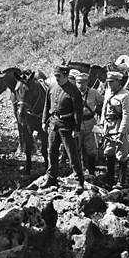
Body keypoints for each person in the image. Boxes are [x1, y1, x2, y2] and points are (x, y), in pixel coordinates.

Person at [41, 64, 85, 192]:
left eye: (59, 76)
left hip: (67, 127)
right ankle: (51, 179)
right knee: (52, 153)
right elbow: (46, 105)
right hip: (54, 125)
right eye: (55, 76)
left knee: (72, 155)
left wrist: (76, 128)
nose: (57, 78)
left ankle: (79, 181)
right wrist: (44, 121)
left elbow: (78, 111)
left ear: (66, 76)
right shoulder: (52, 87)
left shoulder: (74, 91)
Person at [100, 71, 129, 189]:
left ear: (118, 82)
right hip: (108, 127)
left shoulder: (125, 95)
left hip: (118, 127)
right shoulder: (108, 92)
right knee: (109, 153)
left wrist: (121, 132)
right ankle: (109, 179)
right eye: (108, 82)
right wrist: (102, 125)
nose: (109, 84)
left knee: (121, 155)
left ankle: (121, 181)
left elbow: (127, 115)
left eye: (112, 82)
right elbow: (104, 109)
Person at [75, 72, 104, 175]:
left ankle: (91, 173)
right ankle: (78, 173)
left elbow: (103, 102)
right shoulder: (72, 93)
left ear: (87, 82)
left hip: (90, 124)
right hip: (76, 125)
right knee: (76, 149)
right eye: (78, 82)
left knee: (91, 150)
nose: (80, 85)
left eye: (82, 83)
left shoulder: (93, 92)